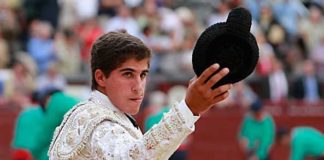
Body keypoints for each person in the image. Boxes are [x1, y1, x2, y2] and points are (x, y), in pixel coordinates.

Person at [48, 31, 232, 159]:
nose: (138, 87)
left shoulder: (94, 113)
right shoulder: (99, 124)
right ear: (101, 77)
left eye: (143, 74)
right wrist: (189, 109)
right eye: (128, 74)